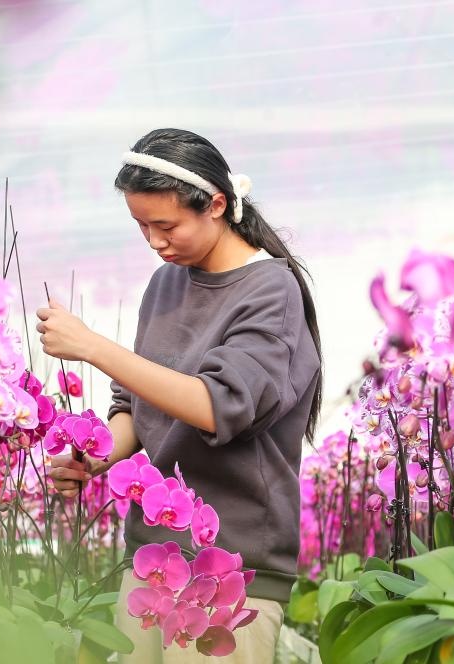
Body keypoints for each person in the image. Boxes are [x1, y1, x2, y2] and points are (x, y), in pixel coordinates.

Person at [36, 128, 322, 663]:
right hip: (153, 558)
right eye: (141, 226)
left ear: (216, 205)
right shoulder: (165, 284)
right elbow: (135, 406)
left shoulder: (271, 290)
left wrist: (93, 347)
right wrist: (96, 458)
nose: (154, 241)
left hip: (233, 567)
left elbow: (218, 405)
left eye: (166, 226)